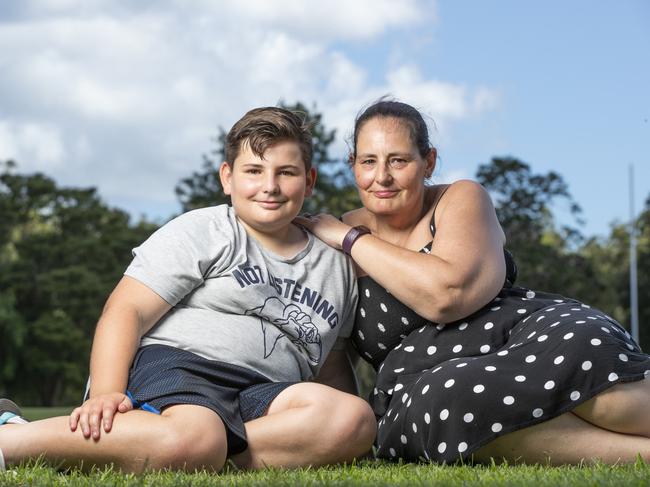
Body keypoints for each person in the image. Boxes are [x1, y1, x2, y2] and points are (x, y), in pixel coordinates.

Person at [0, 106, 376, 473]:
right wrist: (105, 393)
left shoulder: (335, 265)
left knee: (353, 418)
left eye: (287, 172)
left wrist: (345, 439)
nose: (270, 186)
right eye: (254, 171)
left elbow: (330, 364)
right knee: (196, 436)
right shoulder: (207, 229)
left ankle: (194, 450)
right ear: (227, 177)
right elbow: (126, 310)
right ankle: (11, 438)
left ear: (309, 181)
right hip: (179, 365)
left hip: (266, 390)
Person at [295, 99, 650, 465]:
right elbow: (332, 354)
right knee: (451, 400)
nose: (381, 176)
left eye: (398, 160)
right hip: (430, 390)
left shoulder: (458, 199)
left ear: (428, 162)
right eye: (368, 161)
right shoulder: (330, 246)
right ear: (352, 164)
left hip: (531, 334)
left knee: (592, 369)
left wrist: (352, 240)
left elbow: (448, 295)